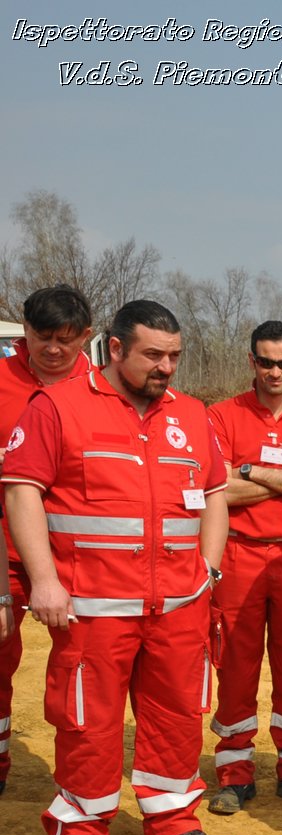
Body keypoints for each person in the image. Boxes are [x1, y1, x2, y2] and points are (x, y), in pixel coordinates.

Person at [2, 299, 230, 835]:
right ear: (115, 348)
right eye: (153, 355)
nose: (166, 368)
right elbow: (23, 491)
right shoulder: (57, 407)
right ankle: (78, 833)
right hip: (93, 608)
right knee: (88, 723)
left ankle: (173, 819)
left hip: (179, 607)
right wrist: (45, 579)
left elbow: (216, 495)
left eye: (175, 356)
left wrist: (208, 569)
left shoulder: (194, 414)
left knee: (178, 715)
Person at [205, 321, 282, 814]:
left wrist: (248, 469)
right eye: (265, 361)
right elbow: (219, 491)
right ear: (251, 361)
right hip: (236, 552)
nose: (274, 371)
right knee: (234, 662)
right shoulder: (221, 415)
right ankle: (235, 772)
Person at [0, 285, 94, 798]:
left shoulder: (103, 387)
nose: (53, 349)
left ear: (87, 336)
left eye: (65, 339)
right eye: (41, 337)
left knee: (82, 670)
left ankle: (78, 781)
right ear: (24, 332)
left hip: (78, 559)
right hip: (5, 556)